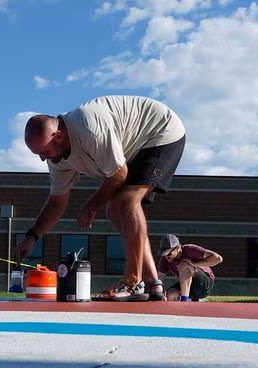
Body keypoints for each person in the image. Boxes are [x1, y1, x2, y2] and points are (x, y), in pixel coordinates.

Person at [14, 95, 186, 301]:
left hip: (161, 130)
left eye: (44, 152)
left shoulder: (88, 128)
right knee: (114, 210)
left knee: (126, 200)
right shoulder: (57, 159)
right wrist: (31, 236)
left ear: (58, 135)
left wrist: (90, 206)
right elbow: (56, 202)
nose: (43, 158)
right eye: (38, 155)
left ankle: (132, 281)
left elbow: (119, 174)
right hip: (132, 149)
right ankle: (153, 285)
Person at [157, 234, 222, 302]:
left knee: (183, 264)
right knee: (170, 294)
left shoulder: (190, 249)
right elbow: (159, 280)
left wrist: (195, 263)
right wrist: (160, 294)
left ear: (178, 248)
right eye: (164, 254)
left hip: (204, 286)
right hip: (188, 287)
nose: (167, 257)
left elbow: (218, 258)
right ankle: (185, 305)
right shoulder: (164, 260)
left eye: (169, 253)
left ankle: (184, 301)